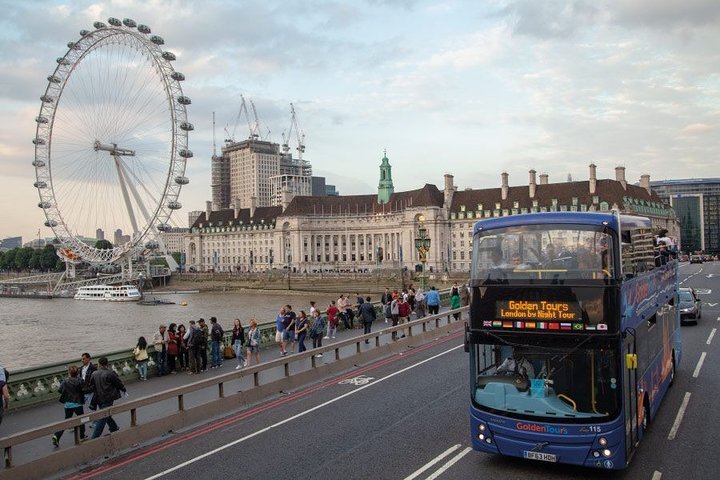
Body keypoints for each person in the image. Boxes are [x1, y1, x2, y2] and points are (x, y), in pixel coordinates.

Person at [89, 357, 126, 439]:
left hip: (98, 398)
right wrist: (123, 389)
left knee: (104, 413)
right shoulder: (110, 373)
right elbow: (118, 383)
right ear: (107, 364)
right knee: (103, 416)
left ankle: (113, 428)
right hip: (108, 397)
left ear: (99, 364)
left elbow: (91, 386)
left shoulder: (94, 373)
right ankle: (94, 438)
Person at [52, 365, 87, 446]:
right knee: (81, 419)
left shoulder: (65, 381)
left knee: (66, 421)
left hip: (67, 404)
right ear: (77, 373)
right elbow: (84, 389)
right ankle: (82, 436)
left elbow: (60, 390)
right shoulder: (80, 380)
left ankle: (56, 436)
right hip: (77, 403)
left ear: (69, 373)